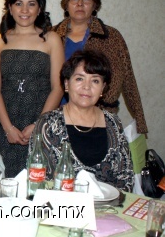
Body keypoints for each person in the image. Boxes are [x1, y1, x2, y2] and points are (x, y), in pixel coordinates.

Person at [0, 0, 64, 178]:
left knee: (39, 183)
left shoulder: (52, 39)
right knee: (5, 185)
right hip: (6, 122)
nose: (24, 10)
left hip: (41, 120)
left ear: (39, 9)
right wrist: (7, 128)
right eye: (18, 3)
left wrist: (39, 125)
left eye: (31, 4)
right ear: (10, 8)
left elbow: (58, 87)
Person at [52, 0, 147, 134]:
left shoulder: (111, 37)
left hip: (100, 119)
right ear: (66, 4)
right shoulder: (52, 35)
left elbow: (129, 80)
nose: (80, 3)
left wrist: (140, 123)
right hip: (58, 118)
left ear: (95, 5)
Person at [30, 50, 134, 192]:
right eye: (79, 79)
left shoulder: (113, 123)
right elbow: (39, 180)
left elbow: (126, 178)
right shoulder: (48, 123)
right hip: (63, 208)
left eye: (95, 81)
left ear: (103, 88)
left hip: (109, 208)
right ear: (67, 83)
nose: (87, 87)